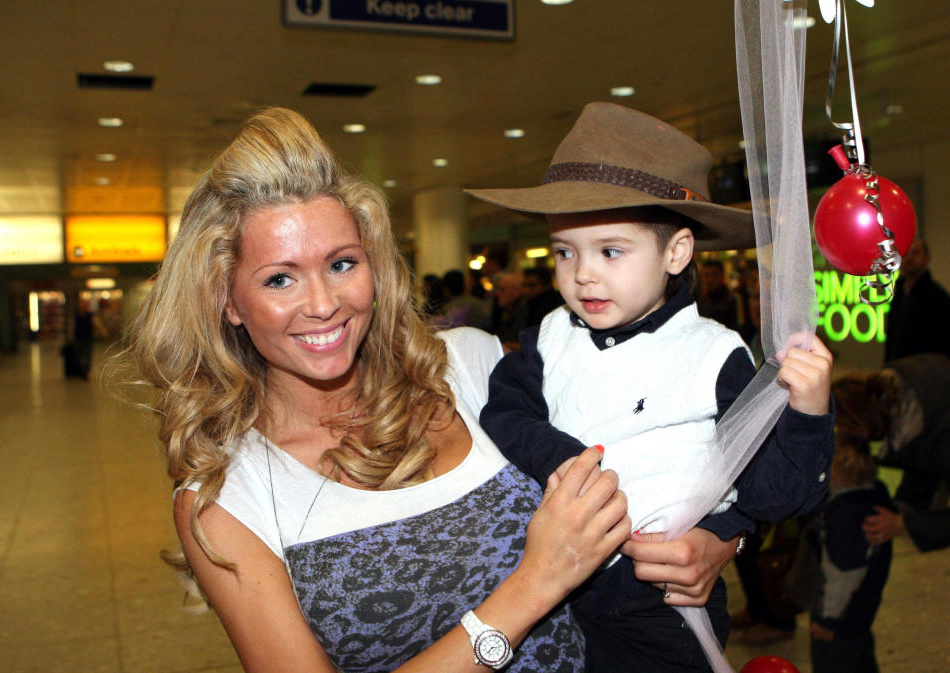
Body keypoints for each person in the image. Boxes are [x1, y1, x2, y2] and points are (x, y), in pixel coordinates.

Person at [123, 107, 734, 673]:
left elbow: (657, 430)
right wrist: (534, 586)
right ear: (228, 301)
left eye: (341, 264)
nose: (323, 304)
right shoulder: (229, 496)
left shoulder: (471, 366)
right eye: (280, 278)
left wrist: (717, 542)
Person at [467, 102, 835, 673]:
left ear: (676, 252)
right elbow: (505, 412)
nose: (583, 273)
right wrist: (564, 459)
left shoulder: (715, 355)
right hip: (551, 586)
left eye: (610, 251)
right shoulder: (550, 335)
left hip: (657, 603)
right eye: (565, 252)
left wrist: (808, 414)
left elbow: (773, 495)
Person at [789, 437, 894, 673]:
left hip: (839, 618)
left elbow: (843, 574)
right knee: (861, 659)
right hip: (861, 611)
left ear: (840, 470)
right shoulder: (873, 497)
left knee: (834, 663)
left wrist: (828, 619)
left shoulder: (844, 517)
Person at [833, 354, 950, 552]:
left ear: (861, 423)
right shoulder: (910, 384)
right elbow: (923, 456)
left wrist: (903, 523)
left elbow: (934, 448)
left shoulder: (942, 434)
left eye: (847, 429)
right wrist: (904, 507)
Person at [884, 238, 950, 362]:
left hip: (925, 372)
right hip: (897, 369)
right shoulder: (899, 293)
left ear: (927, 258)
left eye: (915, 252)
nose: (909, 257)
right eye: (905, 253)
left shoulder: (938, 297)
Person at [696, 260, 740, 330]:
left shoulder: (731, 300)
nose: (710, 279)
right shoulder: (700, 301)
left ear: (722, 276)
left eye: (714, 275)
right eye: (706, 275)